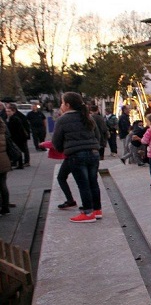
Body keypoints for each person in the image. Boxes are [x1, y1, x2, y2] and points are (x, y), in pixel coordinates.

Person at [51, 92, 102, 223]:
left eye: (62, 103)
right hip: (93, 153)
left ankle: (88, 212)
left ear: (67, 105)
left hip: (76, 155)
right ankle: (97, 210)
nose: (61, 105)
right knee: (93, 183)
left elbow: (57, 141)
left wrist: (64, 150)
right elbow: (97, 135)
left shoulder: (62, 120)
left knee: (83, 185)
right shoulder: (88, 117)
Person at [6, 103, 30, 169]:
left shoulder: (15, 118)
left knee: (19, 150)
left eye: (9, 111)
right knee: (18, 150)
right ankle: (18, 163)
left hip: (18, 137)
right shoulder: (10, 118)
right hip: (16, 136)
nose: (7, 113)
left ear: (13, 111)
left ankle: (20, 163)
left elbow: (19, 129)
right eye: (7, 111)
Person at [0, 117, 11, 215]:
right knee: (3, 184)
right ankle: (5, 206)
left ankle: (3, 206)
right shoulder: (3, 131)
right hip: (4, 160)